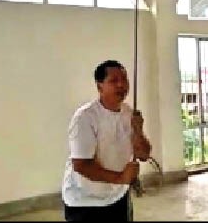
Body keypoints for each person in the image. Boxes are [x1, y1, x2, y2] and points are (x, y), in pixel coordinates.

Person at [62, 60, 152, 222]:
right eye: (114, 81)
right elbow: (81, 165)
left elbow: (144, 155)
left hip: (118, 196)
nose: (121, 85)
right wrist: (121, 178)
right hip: (86, 201)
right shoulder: (85, 117)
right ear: (99, 86)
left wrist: (138, 130)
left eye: (124, 80)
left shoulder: (129, 113)